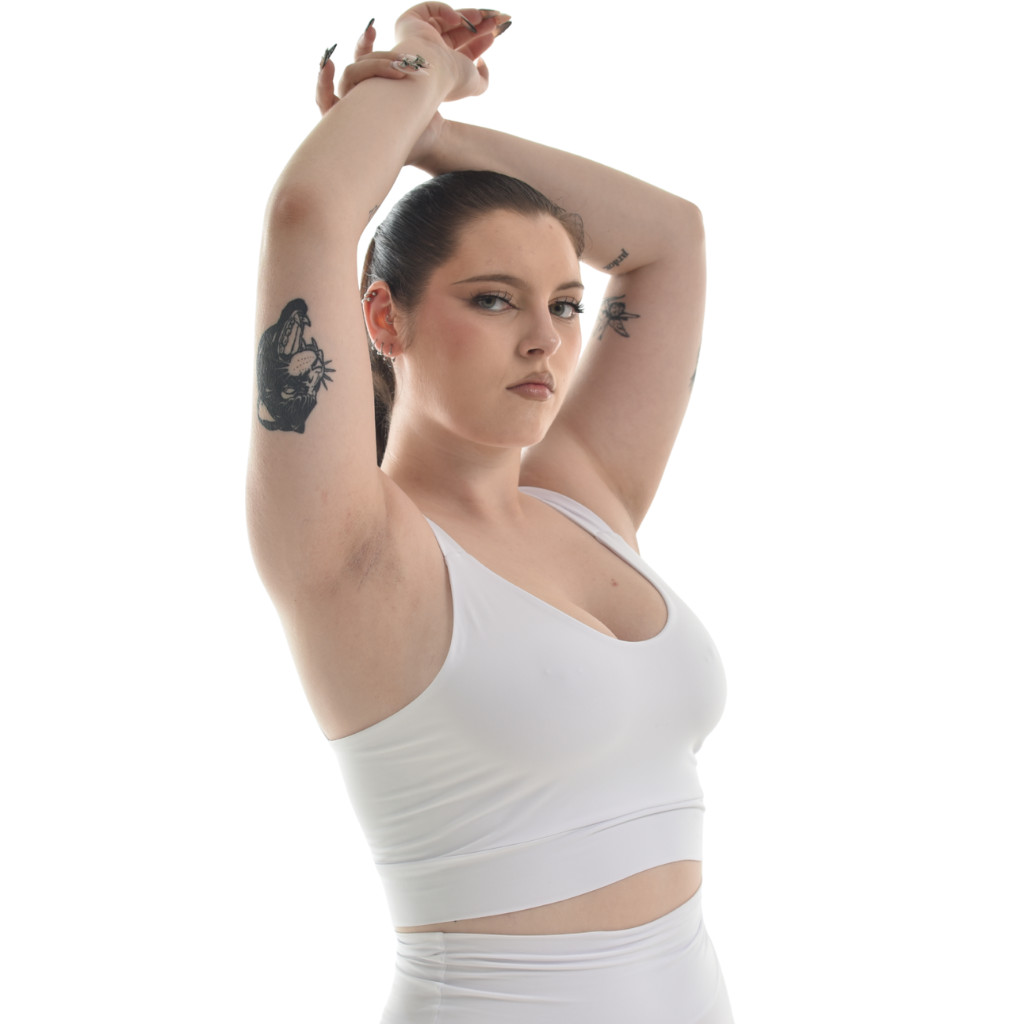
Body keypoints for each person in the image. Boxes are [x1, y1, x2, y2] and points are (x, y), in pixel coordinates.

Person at [247, 5, 732, 1021]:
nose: (545, 340)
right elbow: (309, 213)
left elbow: (669, 239)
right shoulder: (353, 546)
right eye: (494, 298)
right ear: (382, 316)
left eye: (564, 303)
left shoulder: (583, 495)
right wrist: (415, 67)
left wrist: (432, 136)